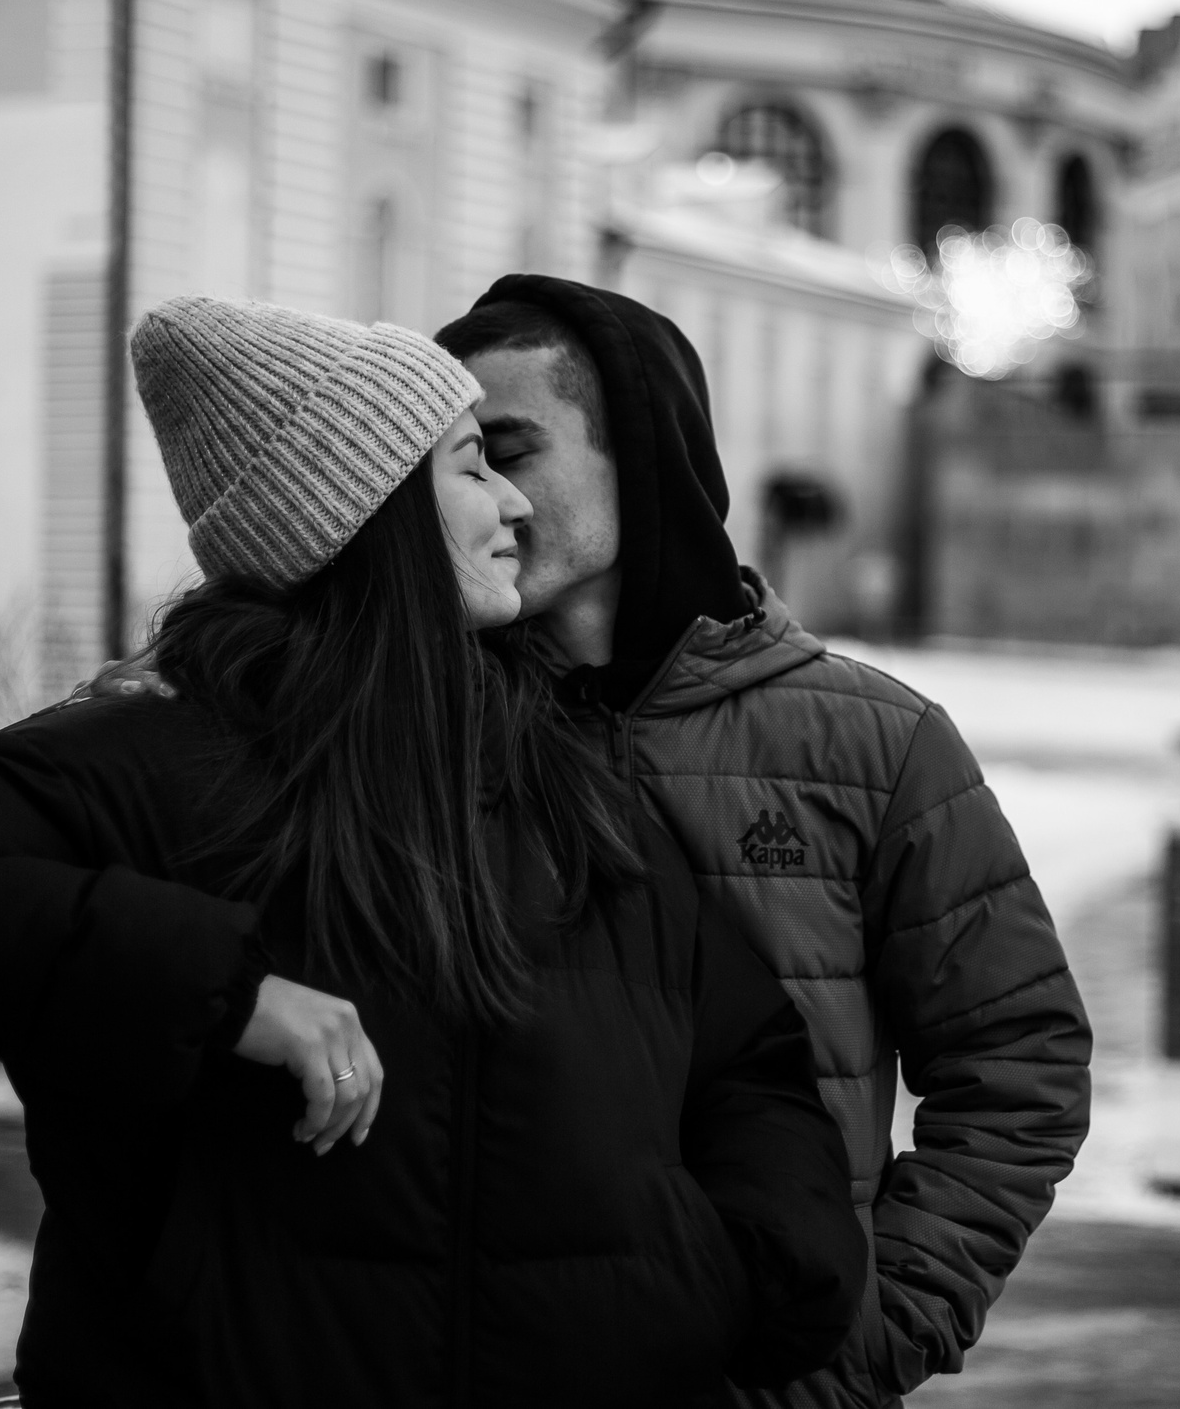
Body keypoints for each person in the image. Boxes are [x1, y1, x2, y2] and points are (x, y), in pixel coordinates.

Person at [0, 297, 863, 1408]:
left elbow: (745, 1057)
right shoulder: (152, 759)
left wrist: (751, 1276)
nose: (513, 501)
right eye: (471, 465)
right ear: (364, 513)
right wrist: (224, 989)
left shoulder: (561, 775)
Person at [432, 277, 1092, 1409]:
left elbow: (1017, 1062)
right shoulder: (417, 730)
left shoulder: (873, 742)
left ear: (641, 452)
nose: (489, 495)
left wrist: (873, 1331)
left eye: (511, 449)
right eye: (459, 466)